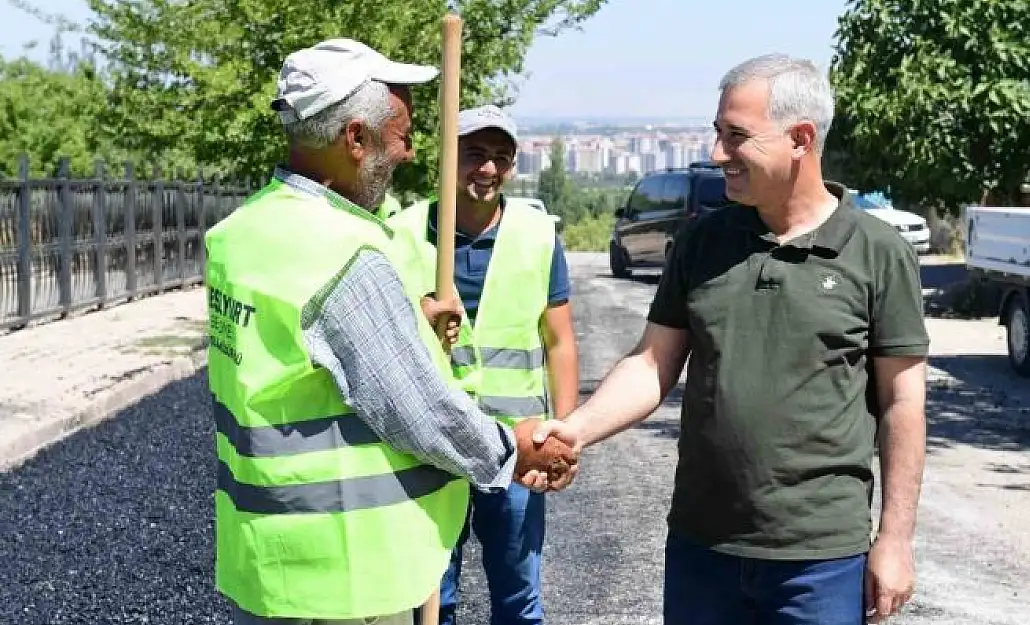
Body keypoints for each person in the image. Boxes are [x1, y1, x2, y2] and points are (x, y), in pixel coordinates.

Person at [533, 53, 929, 625]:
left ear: (800, 139)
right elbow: (651, 364)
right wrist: (575, 429)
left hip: (818, 560)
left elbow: (903, 402)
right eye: (718, 133)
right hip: (702, 549)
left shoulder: (876, 251)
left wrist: (894, 539)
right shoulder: (702, 241)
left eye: (736, 136)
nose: (718, 153)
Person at [204, 38, 576, 625]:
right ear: (355, 138)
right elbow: (417, 410)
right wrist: (515, 447)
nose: (406, 153)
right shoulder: (344, 251)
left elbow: (301, 362)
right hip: (347, 575)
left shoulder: (243, 233)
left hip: (265, 559)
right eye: (399, 133)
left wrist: (408, 324)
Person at [389, 105, 578, 625]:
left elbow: (559, 340)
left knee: (518, 600)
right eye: (475, 154)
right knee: (431, 599)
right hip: (431, 446)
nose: (488, 169)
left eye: (501, 157)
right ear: (448, 159)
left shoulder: (537, 236)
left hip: (516, 447)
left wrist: (567, 427)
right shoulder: (400, 234)